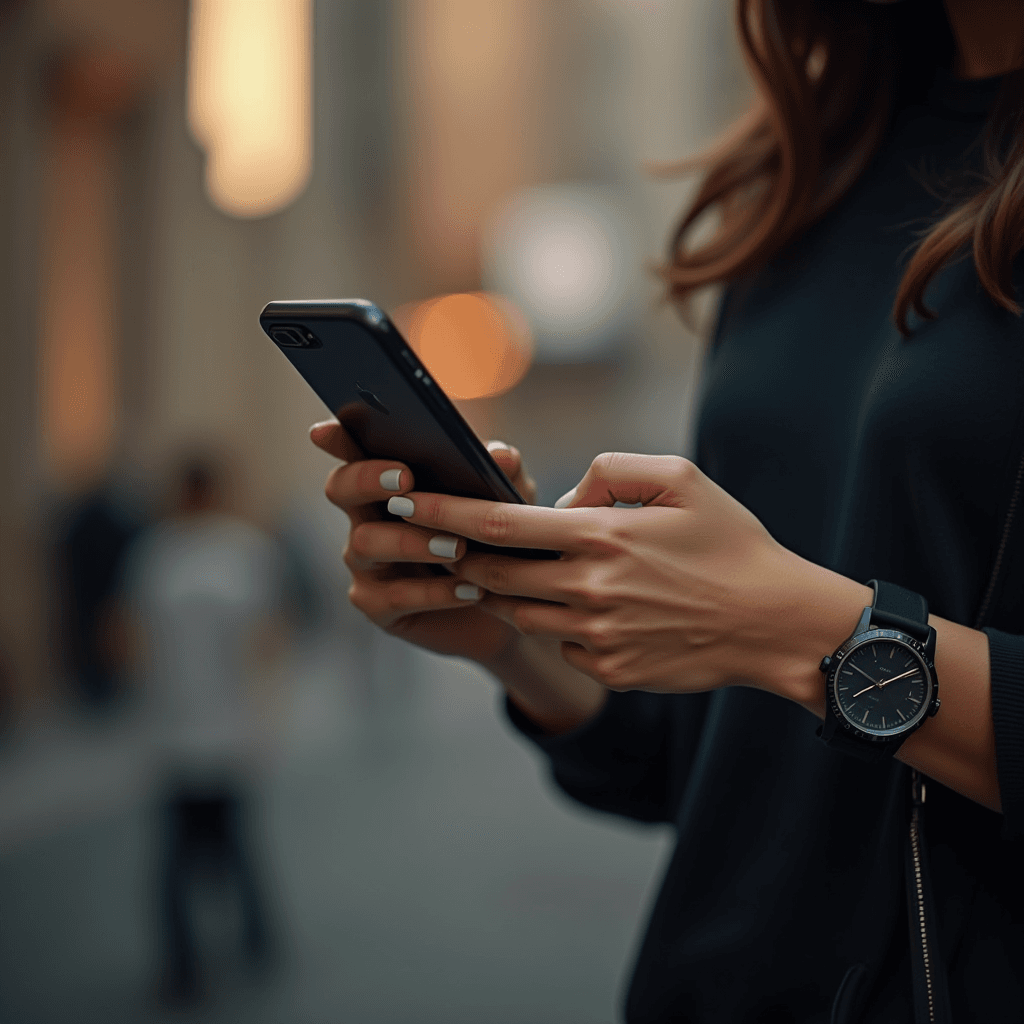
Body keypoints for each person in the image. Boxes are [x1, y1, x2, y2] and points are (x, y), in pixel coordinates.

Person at [310, 1, 1023, 1020]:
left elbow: (781, 642)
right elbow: (716, 765)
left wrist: (802, 632)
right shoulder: (808, 167)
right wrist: (515, 632)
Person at [118, 455, 283, 1004]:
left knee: (232, 842)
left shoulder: (240, 550)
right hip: (173, 727)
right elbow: (129, 632)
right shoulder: (156, 551)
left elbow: (265, 637)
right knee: (177, 856)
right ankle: (184, 963)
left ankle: (256, 937)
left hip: (226, 723)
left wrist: (263, 716)